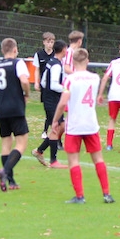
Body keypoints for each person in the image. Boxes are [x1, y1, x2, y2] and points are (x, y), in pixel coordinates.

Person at [51, 48, 114, 204]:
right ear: (87, 61)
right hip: (91, 124)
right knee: (98, 159)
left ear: (72, 62)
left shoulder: (70, 79)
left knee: (73, 161)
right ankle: (106, 194)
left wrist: (55, 120)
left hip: (74, 125)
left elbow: (63, 103)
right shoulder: (95, 78)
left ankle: (80, 196)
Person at [0, 38, 31, 192]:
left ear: (2, 50)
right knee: (21, 144)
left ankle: (11, 181)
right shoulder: (18, 63)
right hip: (16, 108)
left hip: (1, 109)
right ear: (15, 50)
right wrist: (26, 94)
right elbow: (24, 81)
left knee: (6, 144)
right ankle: (5, 171)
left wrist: (2, 100)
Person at [33, 40, 69, 168]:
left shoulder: (51, 62)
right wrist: (66, 90)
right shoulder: (56, 65)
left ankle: (39, 150)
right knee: (56, 128)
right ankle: (53, 161)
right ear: (63, 50)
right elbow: (53, 85)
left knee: (62, 126)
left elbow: (43, 81)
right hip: (52, 100)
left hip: (51, 98)